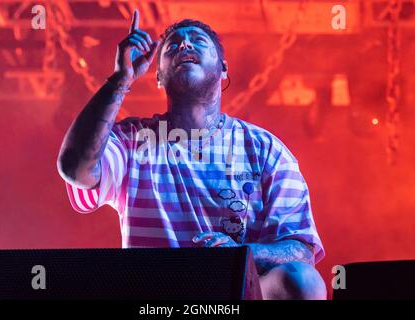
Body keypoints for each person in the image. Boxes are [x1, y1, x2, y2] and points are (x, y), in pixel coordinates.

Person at [57, 9, 326, 300]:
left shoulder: (267, 150)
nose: (184, 45)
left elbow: (301, 251)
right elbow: (75, 168)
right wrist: (120, 81)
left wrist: (240, 255)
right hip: (154, 303)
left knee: (304, 281)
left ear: (223, 68)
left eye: (198, 40)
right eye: (172, 45)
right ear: (158, 76)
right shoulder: (131, 140)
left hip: (233, 300)